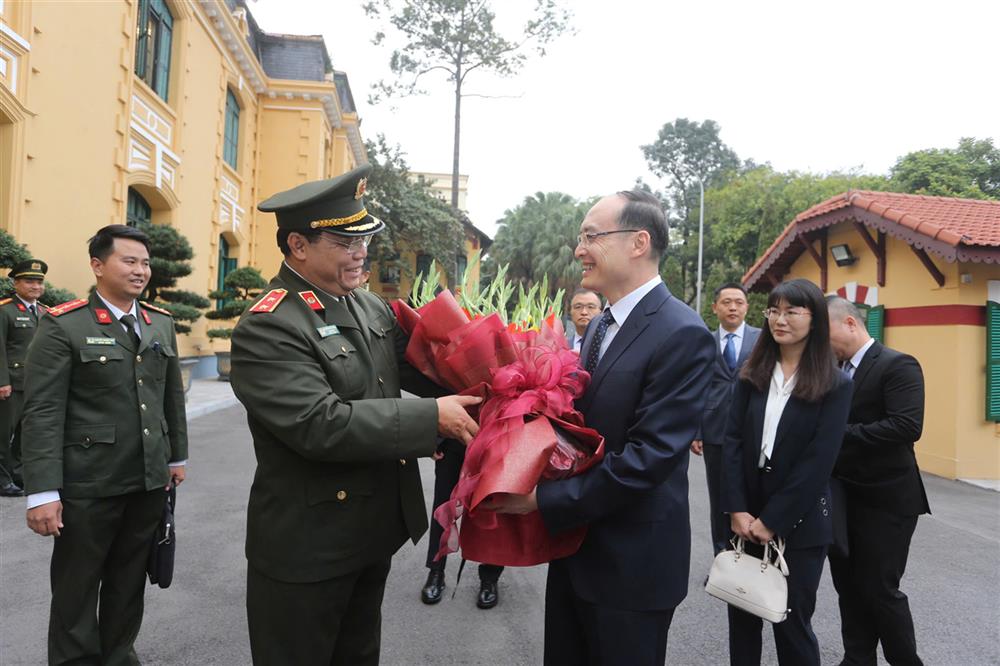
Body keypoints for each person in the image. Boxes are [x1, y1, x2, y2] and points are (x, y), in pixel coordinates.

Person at [229, 164, 481, 666]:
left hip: (371, 531)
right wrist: (431, 419)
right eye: (345, 242)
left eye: (364, 238)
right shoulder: (271, 325)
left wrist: (507, 383)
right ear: (298, 246)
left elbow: (429, 371)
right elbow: (319, 424)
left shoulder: (370, 308)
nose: (361, 251)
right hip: (310, 544)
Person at [490, 190, 715, 665]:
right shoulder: (599, 326)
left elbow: (647, 459)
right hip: (575, 553)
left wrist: (542, 500)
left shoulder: (682, 332)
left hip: (632, 567)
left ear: (638, 242)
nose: (578, 249)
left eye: (591, 236)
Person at [20, 225, 188, 665]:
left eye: (145, 263)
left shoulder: (160, 323)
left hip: (146, 480)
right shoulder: (64, 326)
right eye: (129, 261)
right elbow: (42, 412)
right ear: (98, 265)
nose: (140, 271)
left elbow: (171, 397)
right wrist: (42, 491)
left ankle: (117, 655)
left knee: (129, 582)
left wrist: (176, 458)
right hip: (87, 485)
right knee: (77, 589)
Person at [721, 278, 853, 666]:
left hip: (799, 520)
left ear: (815, 320)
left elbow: (819, 461)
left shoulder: (835, 384)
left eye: (791, 311)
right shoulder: (752, 372)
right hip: (743, 514)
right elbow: (732, 442)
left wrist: (774, 520)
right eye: (773, 311)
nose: (780, 320)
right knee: (742, 618)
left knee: (791, 623)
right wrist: (737, 508)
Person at [826, 297, 929, 666]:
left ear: (851, 323)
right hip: (843, 497)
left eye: (826, 332)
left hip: (887, 501)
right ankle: (857, 659)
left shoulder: (897, 365)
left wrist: (838, 432)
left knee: (880, 590)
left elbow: (906, 426)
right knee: (848, 588)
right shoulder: (834, 370)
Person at [691, 281, 761, 554]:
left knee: (752, 494)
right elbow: (696, 386)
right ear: (715, 307)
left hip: (752, 429)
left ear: (747, 307)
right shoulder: (704, 341)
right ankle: (722, 557)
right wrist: (697, 430)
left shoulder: (762, 338)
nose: (733, 307)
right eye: (726, 302)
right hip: (715, 430)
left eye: (739, 302)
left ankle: (750, 556)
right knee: (720, 498)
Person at [419, 438, 504, 609]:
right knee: (444, 504)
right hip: (453, 437)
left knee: (493, 505)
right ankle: (436, 570)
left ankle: (490, 577)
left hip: (494, 437)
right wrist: (431, 438)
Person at [0, 259, 48, 497]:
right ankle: (2, 480)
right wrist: (2, 381)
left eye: (39, 282)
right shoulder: (5, 310)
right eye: (29, 281)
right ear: (16, 283)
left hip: (35, 384)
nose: (35, 286)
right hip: (11, 384)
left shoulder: (44, 312)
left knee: (24, 434)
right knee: (3, 433)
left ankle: (17, 475)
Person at [565, 287, 602, 351]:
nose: (584, 312)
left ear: (601, 312)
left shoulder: (609, 342)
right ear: (570, 311)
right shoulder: (560, 343)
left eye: (590, 307)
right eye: (578, 307)